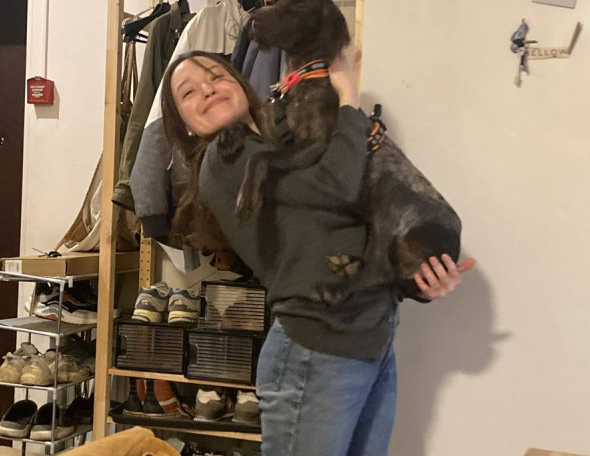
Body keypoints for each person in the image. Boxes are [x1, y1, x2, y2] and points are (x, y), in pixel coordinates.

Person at [161, 50, 476, 456]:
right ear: (185, 127)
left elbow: (345, 232)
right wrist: (347, 99)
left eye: (215, 76)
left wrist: (417, 281)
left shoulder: (281, 143)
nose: (207, 89)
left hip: (370, 335)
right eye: (188, 92)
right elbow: (338, 186)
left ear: (240, 84)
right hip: (314, 351)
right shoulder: (226, 157)